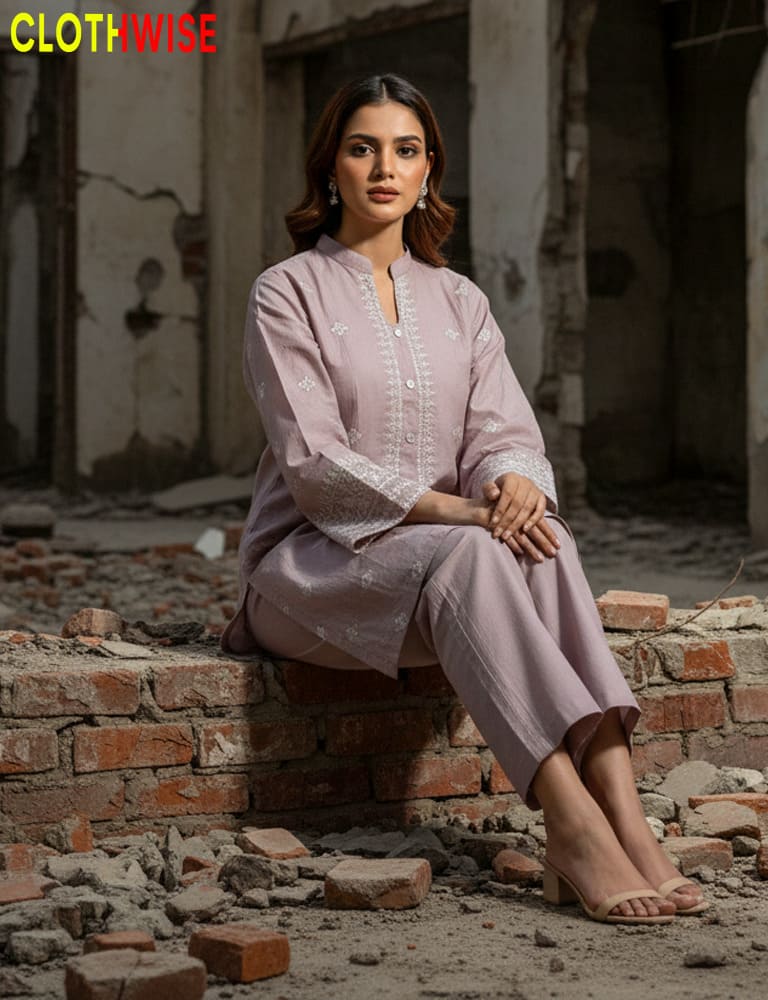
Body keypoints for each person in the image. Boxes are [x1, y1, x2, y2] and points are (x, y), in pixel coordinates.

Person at [221, 73, 708, 924]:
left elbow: (502, 432)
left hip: (443, 587)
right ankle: (571, 825)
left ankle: (627, 817)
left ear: (428, 170)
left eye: (405, 150)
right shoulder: (285, 291)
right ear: (329, 165)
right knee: (481, 546)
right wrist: (464, 512)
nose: (384, 167)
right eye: (362, 146)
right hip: (308, 577)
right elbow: (314, 461)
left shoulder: (460, 301)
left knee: (542, 536)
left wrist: (515, 482)